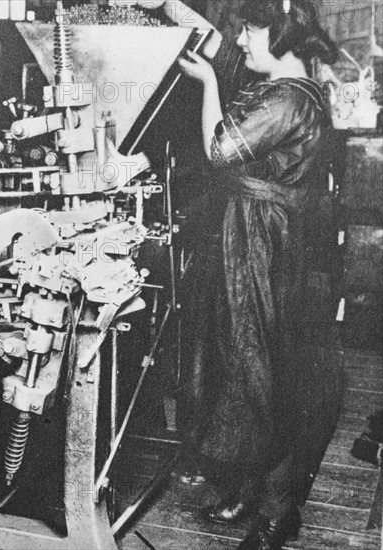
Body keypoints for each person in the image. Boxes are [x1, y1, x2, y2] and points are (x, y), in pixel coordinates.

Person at [115, 1, 341, 549]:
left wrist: (208, 84)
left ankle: (277, 513)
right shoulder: (282, 84)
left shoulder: (289, 99)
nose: (241, 41)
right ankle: (248, 483)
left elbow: (221, 149)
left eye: (251, 31)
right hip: (251, 238)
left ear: (281, 37)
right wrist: (168, 6)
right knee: (238, 363)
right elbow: (218, 45)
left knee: (264, 370)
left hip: (270, 245)